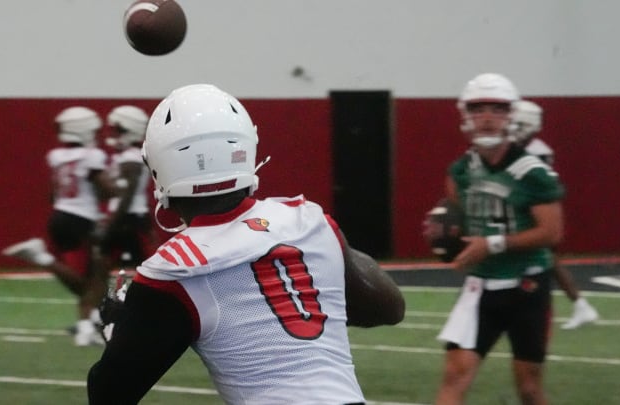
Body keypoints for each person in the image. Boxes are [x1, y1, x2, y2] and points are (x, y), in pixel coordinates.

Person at [86, 84, 405, 404]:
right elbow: (389, 308)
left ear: (159, 166)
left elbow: (109, 393)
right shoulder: (308, 221)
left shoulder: (174, 268)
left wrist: (120, 329)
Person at [433, 73, 563, 405]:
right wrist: (445, 234)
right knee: (454, 376)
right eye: (478, 109)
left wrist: (491, 244)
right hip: (480, 288)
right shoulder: (460, 171)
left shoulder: (532, 172)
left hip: (527, 287)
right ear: (466, 115)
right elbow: (461, 222)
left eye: (497, 108)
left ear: (511, 115)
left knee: (530, 390)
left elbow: (552, 232)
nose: (487, 117)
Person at [2, 106, 116, 346]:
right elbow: (105, 188)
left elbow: (53, 195)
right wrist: (119, 187)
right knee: (96, 276)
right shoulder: (91, 156)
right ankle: (43, 259)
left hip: (60, 216)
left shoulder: (57, 156)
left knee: (87, 279)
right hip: (81, 219)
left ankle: (88, 325)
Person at [511, 99, 599, 330]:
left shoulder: (534, 153)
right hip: (528, 213)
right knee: (546, 263)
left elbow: (540, 187)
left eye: (517, 125)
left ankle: (575, 305)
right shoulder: (530, 149)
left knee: (544, 263)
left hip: (535, 215)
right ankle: (579, 305)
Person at [98, 105, 156, 270]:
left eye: (117, 130)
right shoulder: (126, 156)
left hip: (130, 219)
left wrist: (111, 223)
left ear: (129, 131)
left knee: (144, 268)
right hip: (127, 217)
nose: (112, 134)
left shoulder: (131, 158)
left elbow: (127, 196)